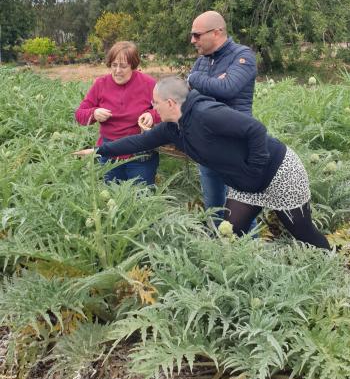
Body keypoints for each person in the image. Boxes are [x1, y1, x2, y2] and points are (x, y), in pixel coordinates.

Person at [75, 76, 330, 250]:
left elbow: (255, 129)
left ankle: (329, 267)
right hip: (247, 184)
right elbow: (136, 143)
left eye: (155, 103)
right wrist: (99, 151)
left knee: (303, 233)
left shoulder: (207, 114)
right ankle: (247, 278)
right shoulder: (172, 128)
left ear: (171, 103)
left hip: (279, 172)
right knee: (228, 234)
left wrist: (254, 169)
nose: (153, 107)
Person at [189, 10, 257, 220]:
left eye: (197, 35)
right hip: (207, 144)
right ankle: (217, 249)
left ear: (217, 33)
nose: (193, 40)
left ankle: (248, 251)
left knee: (241, 212)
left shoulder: (243, 56)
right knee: (214, 208)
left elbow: (227, 88)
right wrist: (209, 82)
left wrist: (194, 78)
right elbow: (188, 94)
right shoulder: (202, 61)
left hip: (234, 144)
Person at [74, 41, 159, 185]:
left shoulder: (148, 84)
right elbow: (79, 115)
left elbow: (168, 110)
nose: (117, 70)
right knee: (114, 199)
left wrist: (152, 115)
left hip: (140, 153)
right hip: (110, 153)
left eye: (123, 66)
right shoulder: (101, 84)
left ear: (133, 65)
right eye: (114, 65)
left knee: (142, 200)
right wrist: (94, 113)